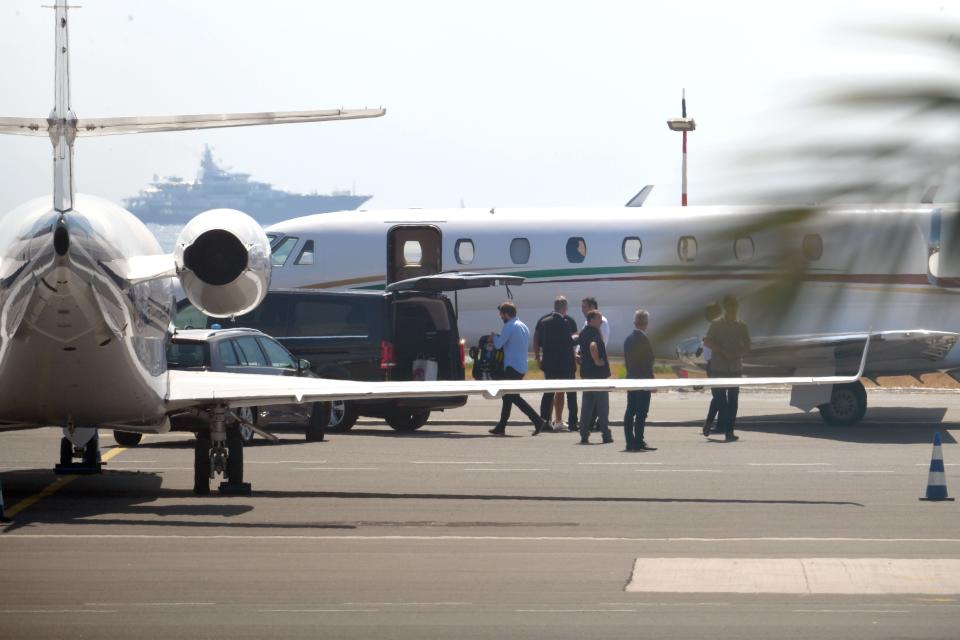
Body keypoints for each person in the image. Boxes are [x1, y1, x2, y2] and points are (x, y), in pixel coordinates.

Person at [488, 301, 547, 436]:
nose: (501, 317)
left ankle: (537, 420)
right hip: (521, 366)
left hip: (511, 366)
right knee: (508, 397)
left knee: (512, 397)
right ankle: (501, 426)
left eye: (501, 315)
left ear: (506, 314)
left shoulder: (509, 326)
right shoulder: (523, 326)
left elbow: (498, 344)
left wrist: (494, 337)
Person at [702, 295, 751, 442]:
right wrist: (722, 352)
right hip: (718, 367)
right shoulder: (716, 324)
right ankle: (709, 422)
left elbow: (748, 345)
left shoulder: (741, 326)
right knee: (719, 399)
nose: (733, 309)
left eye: (735, 306)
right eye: (731, 306)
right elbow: (707, 341)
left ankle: (729, 431)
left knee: (733, 401)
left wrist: (737, 354)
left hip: (735, 368)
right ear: (726, 308)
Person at [534, 296, 579, 432]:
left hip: (549, 363)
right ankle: (572, 422)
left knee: (548, 393)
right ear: (565, 308)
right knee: (571, 394)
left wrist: (538, 358)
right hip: (565, 364)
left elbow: (537, 340)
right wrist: (578, 337)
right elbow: (568, 342)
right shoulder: (565, 322)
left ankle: (543, 421)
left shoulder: (543, 321)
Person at [577, 310, 613, 444]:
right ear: (591, 320)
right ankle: (605, 434)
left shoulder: (583, 332)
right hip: (597, 376)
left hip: (587, 375)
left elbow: (582, 350)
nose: (601, 322)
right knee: (602, 406)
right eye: (599, 319)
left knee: (587, 406)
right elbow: (593, 346)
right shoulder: (593, 333)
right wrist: (598, 361)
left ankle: (584, 433)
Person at [623, 309, 655, 451]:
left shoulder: (628, 339)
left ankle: (630, 441)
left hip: (631, 378)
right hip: (643, 380)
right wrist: (652, 382)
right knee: (641, 413)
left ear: (635, 322)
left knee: (630, 411)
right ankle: (639, 440)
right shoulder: (644, 340)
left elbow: (627, 362)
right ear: (646, 323)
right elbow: (648, 363)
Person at [701, 301, 723, 433]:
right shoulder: (716, 328)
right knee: (720, 397)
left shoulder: (712, 328)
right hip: (716, 365)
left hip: (713, 365)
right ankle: (715, 423)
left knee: (719, 396)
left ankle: (716, 424)